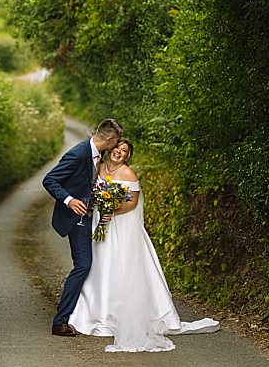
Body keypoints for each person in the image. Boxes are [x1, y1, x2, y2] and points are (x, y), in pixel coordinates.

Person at [69, 138, 219, 351]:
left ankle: (124, 314)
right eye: (117, 149)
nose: (119, 153)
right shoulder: (99, 167)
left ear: (128, 157)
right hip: (100, 224)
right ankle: (96, 313)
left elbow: (132, 202)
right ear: (110, 150)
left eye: (124, 151)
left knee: (122, 265)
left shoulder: (129, 174)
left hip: (121, 226)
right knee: (100, 265)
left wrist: (112, 211)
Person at [42, 119, 123, 337]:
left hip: (92, 219)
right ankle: (60, 322)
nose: (116, 146)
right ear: (109, 139)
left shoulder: (99, 156)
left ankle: (90, 315)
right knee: (83, 266)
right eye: (115, 142)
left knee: (97, 265)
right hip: (76, 220)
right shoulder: (78, 154)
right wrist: (69, 200)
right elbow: (50, 180)